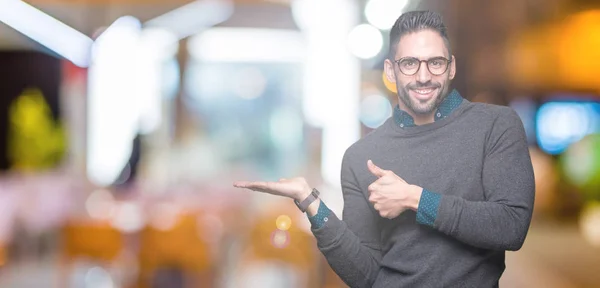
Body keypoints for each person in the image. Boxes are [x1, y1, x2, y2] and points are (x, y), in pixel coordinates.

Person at [234, 10, 535, 288]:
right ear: (391, 71)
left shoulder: (495, 125)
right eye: (409, 63)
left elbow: (510, 227)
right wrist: (310, 202)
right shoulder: (360, 157)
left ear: (451, 67)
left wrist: (415, 198)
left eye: (435, 62)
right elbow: (365, 276)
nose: (423, 75)